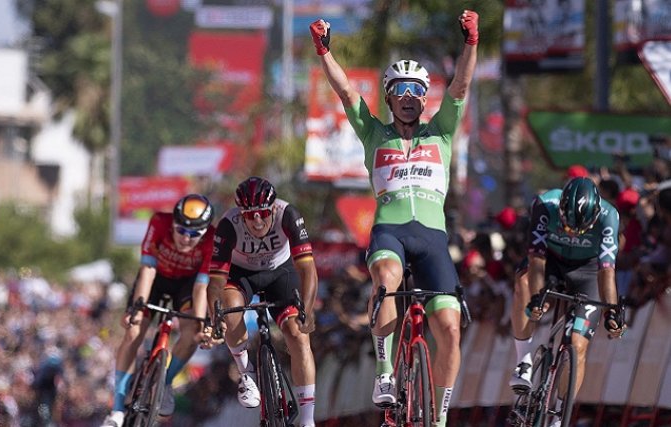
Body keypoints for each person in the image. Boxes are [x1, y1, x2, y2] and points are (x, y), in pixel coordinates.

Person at [310, 9, 478, 427]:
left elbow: (461, 85)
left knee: (450, 330)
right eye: (400, 90)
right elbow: (348, 93)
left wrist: (471, 44)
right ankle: (385, 373)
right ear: (389, 97)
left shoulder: (440, 132)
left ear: (425, 98)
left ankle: (438, 417)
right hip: (391, 233)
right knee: (386, 283)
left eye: (416, 91)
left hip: (434, 239)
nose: (408, 97)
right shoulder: (374, 134)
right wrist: (324, 52)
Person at [205, 176, 318, 427]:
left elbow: (308, 269)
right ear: (241, 214)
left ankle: (308, 419)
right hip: (241, 275)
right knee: (231, 312)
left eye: (263, 213)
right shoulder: (227, 225)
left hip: (281, 272)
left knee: (297, 334)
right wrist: (216, 315)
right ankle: (247, 374)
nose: (257, 221)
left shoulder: (287, 214)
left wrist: (307, 310)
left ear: (272, 208)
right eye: (249, 215)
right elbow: (215, 281)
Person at [509, 177, 626, 413]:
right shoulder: (544, 204)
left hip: (588, 270)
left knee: (577, 345)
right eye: (568, 225)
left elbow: (606, 271)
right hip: (550, 261)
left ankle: (560, 413)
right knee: (523, 283)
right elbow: (536, 259)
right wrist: (536, 296)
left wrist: (611, 312)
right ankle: (524, 361)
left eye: (581, 229)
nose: (573, 233)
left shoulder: (609, 216)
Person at [101, 193, 215, 427]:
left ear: (204, 233)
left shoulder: (213, 239)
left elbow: (201, 287)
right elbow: (147, 272)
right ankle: (117, 411)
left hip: (187, 285)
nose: (186, 238)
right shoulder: (159, 223)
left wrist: (201, 325)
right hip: (155, 279)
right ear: (172, 223)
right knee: (133, 332)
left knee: (192, 332)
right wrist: (138, 306)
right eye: (181, 230)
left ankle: (165, 381)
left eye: (194, 235)